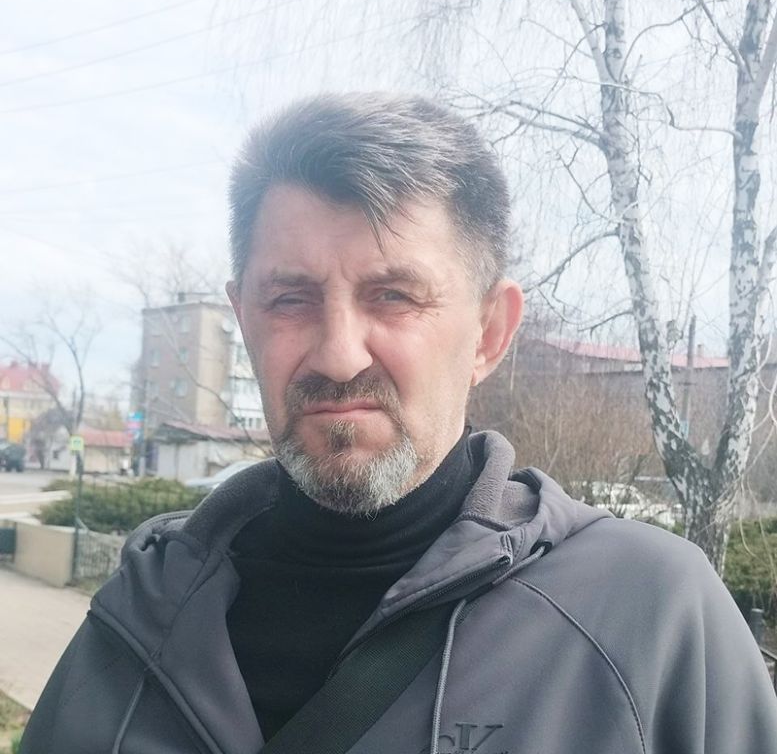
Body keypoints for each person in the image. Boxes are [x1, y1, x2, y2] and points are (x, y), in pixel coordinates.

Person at [19, 93, 777, 754]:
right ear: (243, 318)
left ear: (488, 333)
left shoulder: (649, 619)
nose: (338, 354)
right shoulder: (139, 617)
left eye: (394, 296)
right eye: (290, 299)